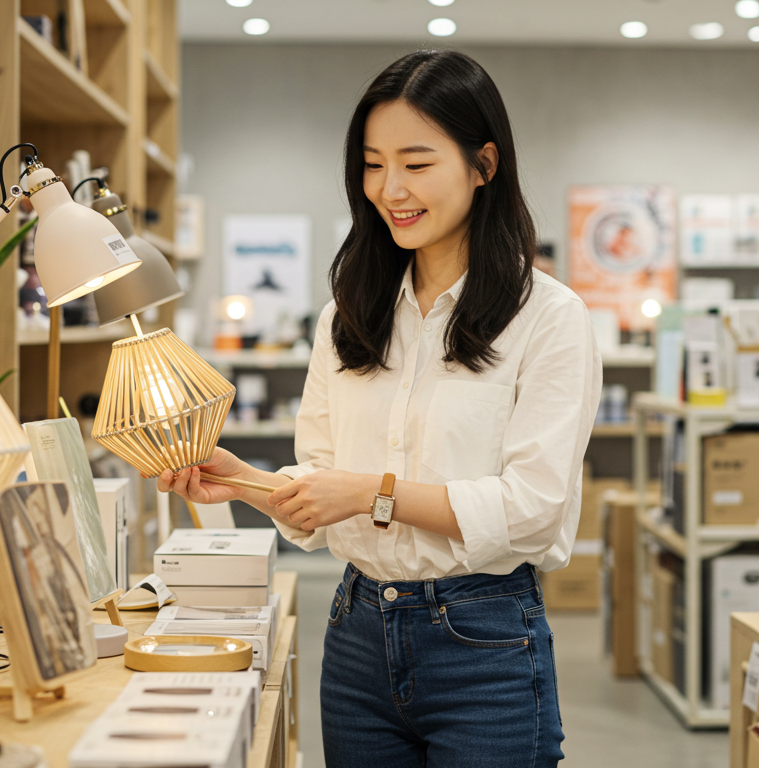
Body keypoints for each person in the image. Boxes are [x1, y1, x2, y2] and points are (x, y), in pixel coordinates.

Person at [160, 49, 601, 768]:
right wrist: (245, 479)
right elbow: (323, 487)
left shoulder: (548, 317)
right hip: (358, 634)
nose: (390, 188)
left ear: (483, 164)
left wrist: (373, 494)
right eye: (372, 164)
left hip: (484, 643)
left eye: (417, 163)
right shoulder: (348, 315)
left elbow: (534, 508)